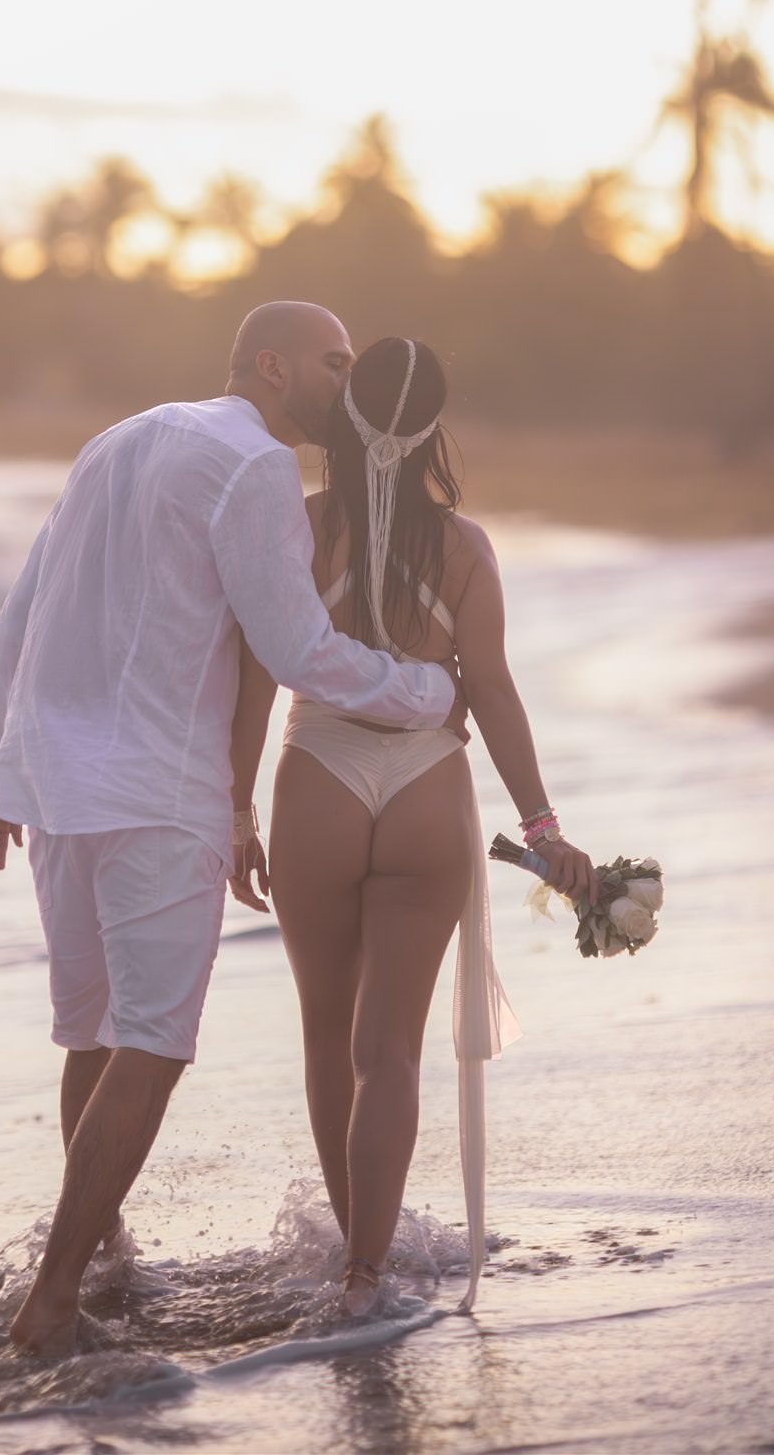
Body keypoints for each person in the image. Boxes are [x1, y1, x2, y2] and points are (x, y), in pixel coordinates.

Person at [0, 303, 464, 1354]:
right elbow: (296, 647)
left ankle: (101, 1263)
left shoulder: (119, 437)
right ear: (273, 368)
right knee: (149, 1041)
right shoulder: (257, 469)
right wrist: (424, 689)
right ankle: (53, 1299)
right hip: (156, 785)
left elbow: (22, 606)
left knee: (93, 1032)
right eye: (335, 362)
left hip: (55, 783)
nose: (350, 379)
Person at [229, 335, 598, 1315]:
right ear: (431, 429)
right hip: (432, 784)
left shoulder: (300, 532)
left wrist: (231, 806)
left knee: (325, 1030)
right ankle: (365, 1275)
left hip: (321, 777)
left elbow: (258, 680)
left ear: (345, 425)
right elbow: (494, 689)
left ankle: (355, 1254)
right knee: (387, 1047)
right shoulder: (466, 548)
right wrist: (543, 819)